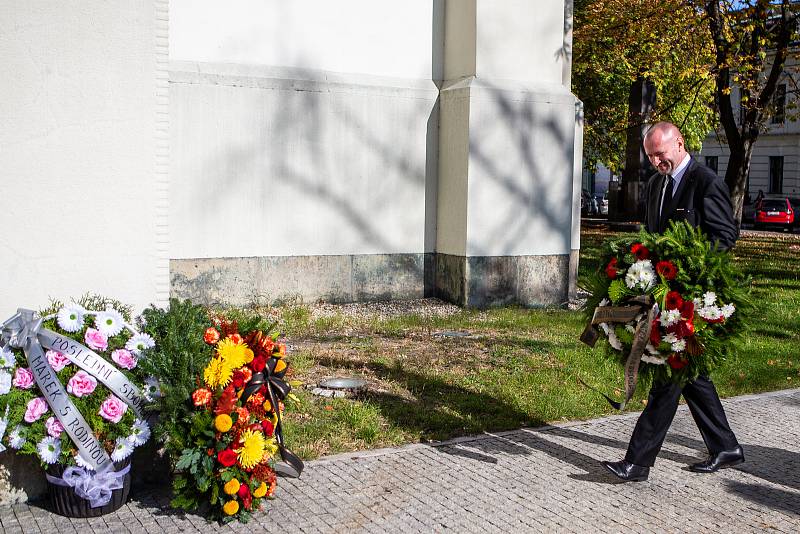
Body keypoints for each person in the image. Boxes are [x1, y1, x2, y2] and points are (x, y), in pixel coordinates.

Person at [601, 121, 742, 482]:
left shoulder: (706, 182)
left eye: (660, 154)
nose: (656, 162)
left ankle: (637, 463)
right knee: (691, 376)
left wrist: (687, 263)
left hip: (692, 299)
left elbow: (726, 236)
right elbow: (652, 236)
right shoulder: (655, 184)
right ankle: (725, 446)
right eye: (650, 157)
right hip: (661, 296)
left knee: (670, 376)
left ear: (678, 143)